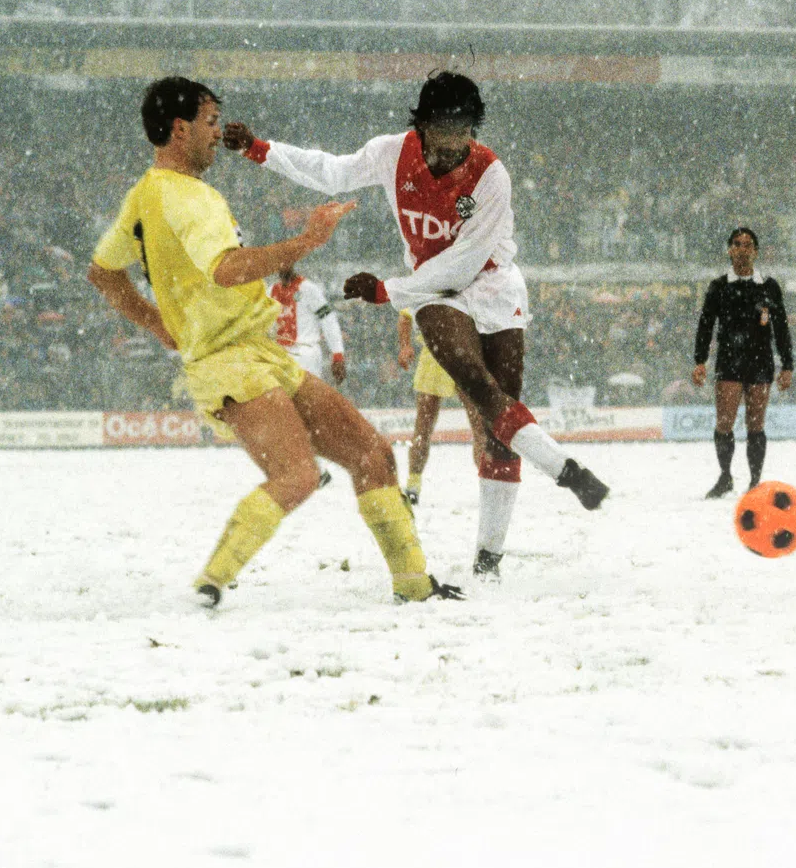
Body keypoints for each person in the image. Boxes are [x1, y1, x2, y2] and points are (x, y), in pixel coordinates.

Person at [87, 75, 461, 608]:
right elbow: (226, 269)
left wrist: (157, 323)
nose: (219, 133)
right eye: (212, 122)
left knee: (372, 453)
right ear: (179, 128)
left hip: (255, 353)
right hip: (228, 360)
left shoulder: (144, 196)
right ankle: (211, 583)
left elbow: (104, 274)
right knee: (298, 474)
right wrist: (306, 241)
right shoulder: (191, 199)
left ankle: (414, 586)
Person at [223, 71, 610, 583]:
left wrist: (387, 290)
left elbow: (467, 261)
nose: (454, 145)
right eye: (444, 131)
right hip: (432, 290)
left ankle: (489, 559)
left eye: (465, 131)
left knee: (499, 431)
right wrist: (259, 149)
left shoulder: (492, 175)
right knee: (473, 380)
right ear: (423, 125)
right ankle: (566, 470)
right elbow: (333, 171)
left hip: (492, 285)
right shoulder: (391, 153)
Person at [691, 227, 793, 498]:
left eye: (747, 244)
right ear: (729, 250)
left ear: (756, 251)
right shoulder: (719, 286)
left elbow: (781, 327)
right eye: (737, 244)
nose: (742, 249)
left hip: (760, 362)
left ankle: (755, 482)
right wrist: (700, 360)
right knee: (724, 422)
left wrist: (788, 364)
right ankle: (725, 477)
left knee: (755, 424)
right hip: (729, 361)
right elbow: (706, 325)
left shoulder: (769, 286)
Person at [265, 263, 345, 487]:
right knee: (282, 412)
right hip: (281, 356)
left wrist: (337, 353)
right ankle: (311, 468)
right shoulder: (270, 292)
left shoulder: (308, 289)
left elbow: (328, 320)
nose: (282, 268)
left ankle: (315, 468)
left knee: (303, 411)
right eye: (278, 264)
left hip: (307, 354)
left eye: (286, 263)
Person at [396, 307, 478, 506]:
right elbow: (405, 316)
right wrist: (405, 346)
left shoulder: (469, 282)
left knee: (480, 425)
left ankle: (488, 482)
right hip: (435, 354)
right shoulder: (431, 282)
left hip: (466, 355)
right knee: (423, 426)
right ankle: (413, 484)